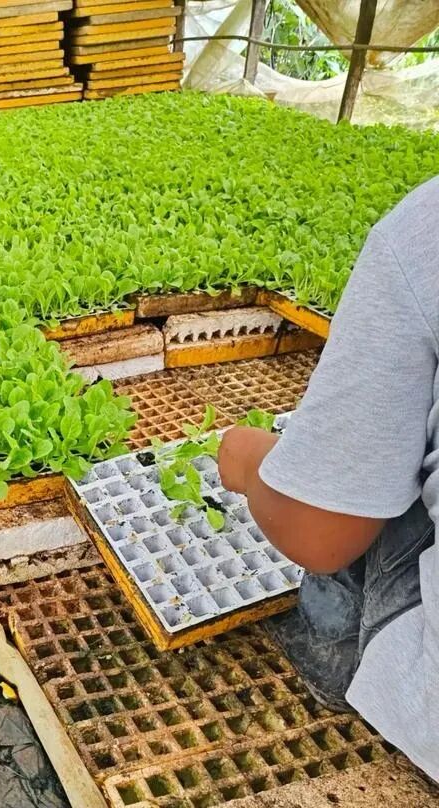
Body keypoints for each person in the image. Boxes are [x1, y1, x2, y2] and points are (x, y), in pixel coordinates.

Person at [217, 175, 439, 783]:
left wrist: (250, 463)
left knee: (357, 476)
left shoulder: (423, 230)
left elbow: (321, 534)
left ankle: (339, 665)